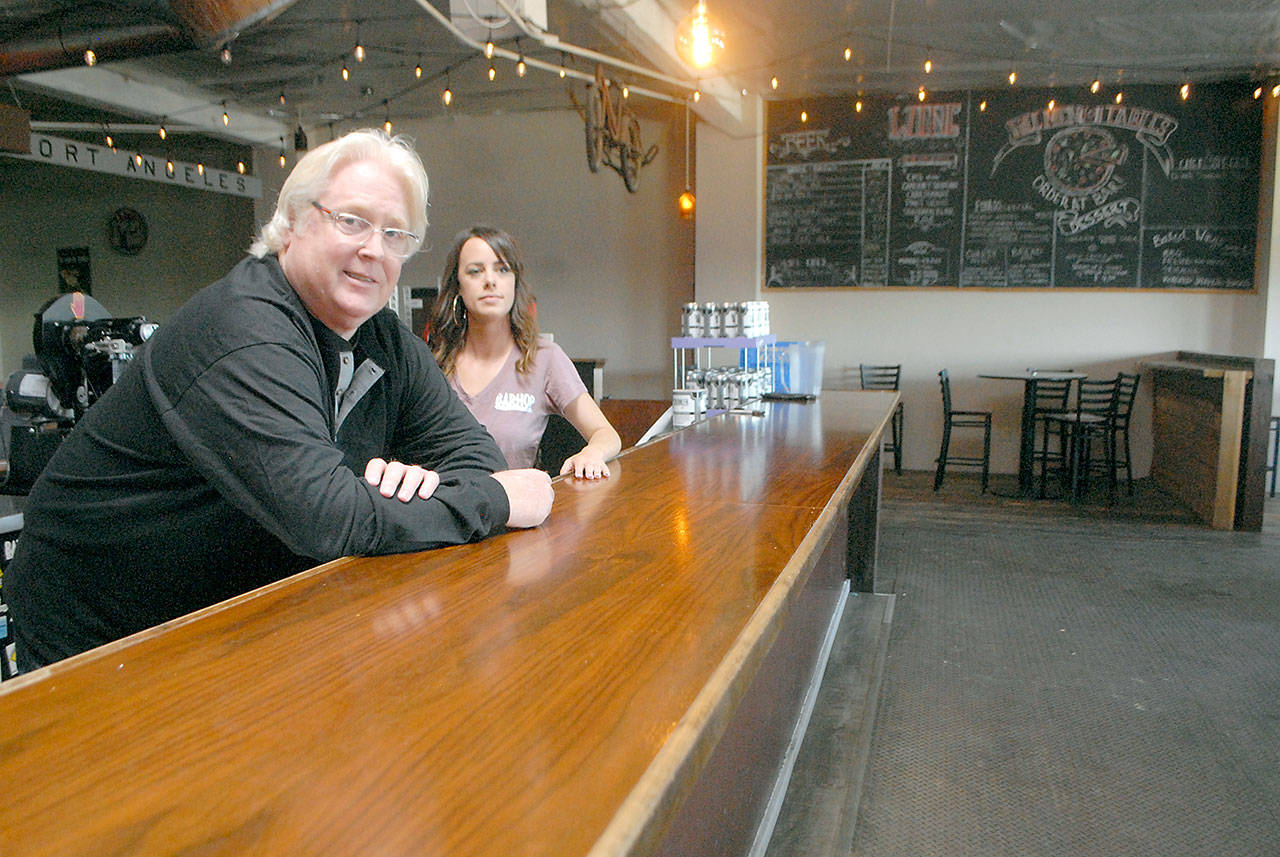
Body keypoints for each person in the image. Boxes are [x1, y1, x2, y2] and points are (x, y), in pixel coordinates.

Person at [6, 129, 553, 671]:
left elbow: (475, 460)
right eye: (352, 221)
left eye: (394, 234)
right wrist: (498, 501)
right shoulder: (245, 328)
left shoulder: (385, 341)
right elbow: (327, 516)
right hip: (102, 621)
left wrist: (416, 492)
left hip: (224, 612)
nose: (373, 249)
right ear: (291, 222)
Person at [428, 226, 621, 478]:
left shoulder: (544, 358)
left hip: (514, 514)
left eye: (502, 269)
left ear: (514, 283)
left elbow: (606, 435)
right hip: (444, 510)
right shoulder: (433, 362)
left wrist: (590, 454)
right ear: (458, 287)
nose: (490, 280)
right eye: (475, 271)